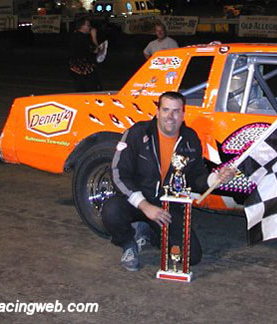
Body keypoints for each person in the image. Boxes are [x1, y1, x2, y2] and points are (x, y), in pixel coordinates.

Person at [102, 91, 236, 272]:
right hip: (136, 201)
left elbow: (195, 177)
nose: (170, 116)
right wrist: (144, 205)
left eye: (176, 111)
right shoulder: (137, 132)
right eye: (165, 110)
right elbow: (118, 173)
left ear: (183, 114)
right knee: (111, 210)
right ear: (157, 112)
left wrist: (216, 178)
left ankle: (150, 232)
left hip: (167, 205)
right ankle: (128, 243)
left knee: (192, 257)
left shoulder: (190, 139)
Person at [69, 17, 102, 92]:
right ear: (82, 26)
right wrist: (94, 37)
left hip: (77, 67)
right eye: (88, 25)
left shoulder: (75, 36)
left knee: (81, 89)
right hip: (84, 69)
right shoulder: (82, 38)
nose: (90, 28)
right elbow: (95, 50)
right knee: (91, 89)